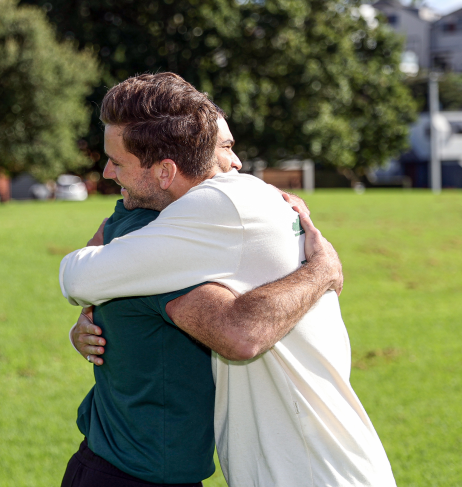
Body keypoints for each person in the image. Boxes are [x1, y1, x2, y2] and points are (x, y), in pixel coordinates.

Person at [60, 73, 396, 487]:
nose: (236, 164)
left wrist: (321, 271)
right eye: (226, 147)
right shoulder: (176, 219)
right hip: (298, 463)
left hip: (313, 472)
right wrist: (97, 316)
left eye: (225, 146)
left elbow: (77, 275)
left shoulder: (221, 205)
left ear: (165, 171)